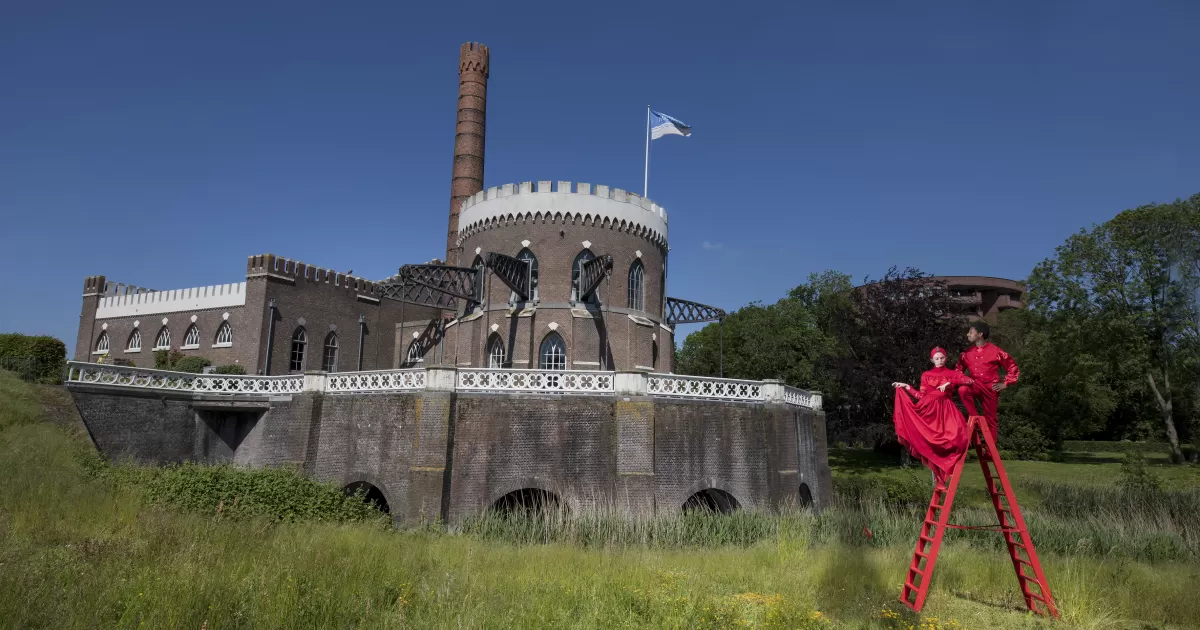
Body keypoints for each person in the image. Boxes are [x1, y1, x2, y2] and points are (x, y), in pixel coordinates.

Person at [892, 347, 976, 482]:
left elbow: (970, 381)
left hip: (946, 409)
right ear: (932, 360)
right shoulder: (926, 375)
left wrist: (950, 382)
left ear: (946, 358)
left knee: (958, 437)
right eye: (937, 358)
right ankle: (938, 475)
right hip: (928, 410)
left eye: (942, 358)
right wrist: (907, 387)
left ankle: (946, 469)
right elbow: (921, 396)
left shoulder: (952, 373)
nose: (939, 360)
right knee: (929, 441)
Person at [954, 320, 1019, 442]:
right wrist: (965, 379)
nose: (968, 334)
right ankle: (975, 418)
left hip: (991, 387)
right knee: (963, 390)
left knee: (991, 419)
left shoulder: (996, 351)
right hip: (974, 384)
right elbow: (958, 370)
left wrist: (1006, 383)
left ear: (980, 334)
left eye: (970, 332)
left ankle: (990, 449)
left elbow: (1012, 367)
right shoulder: (967, 353)